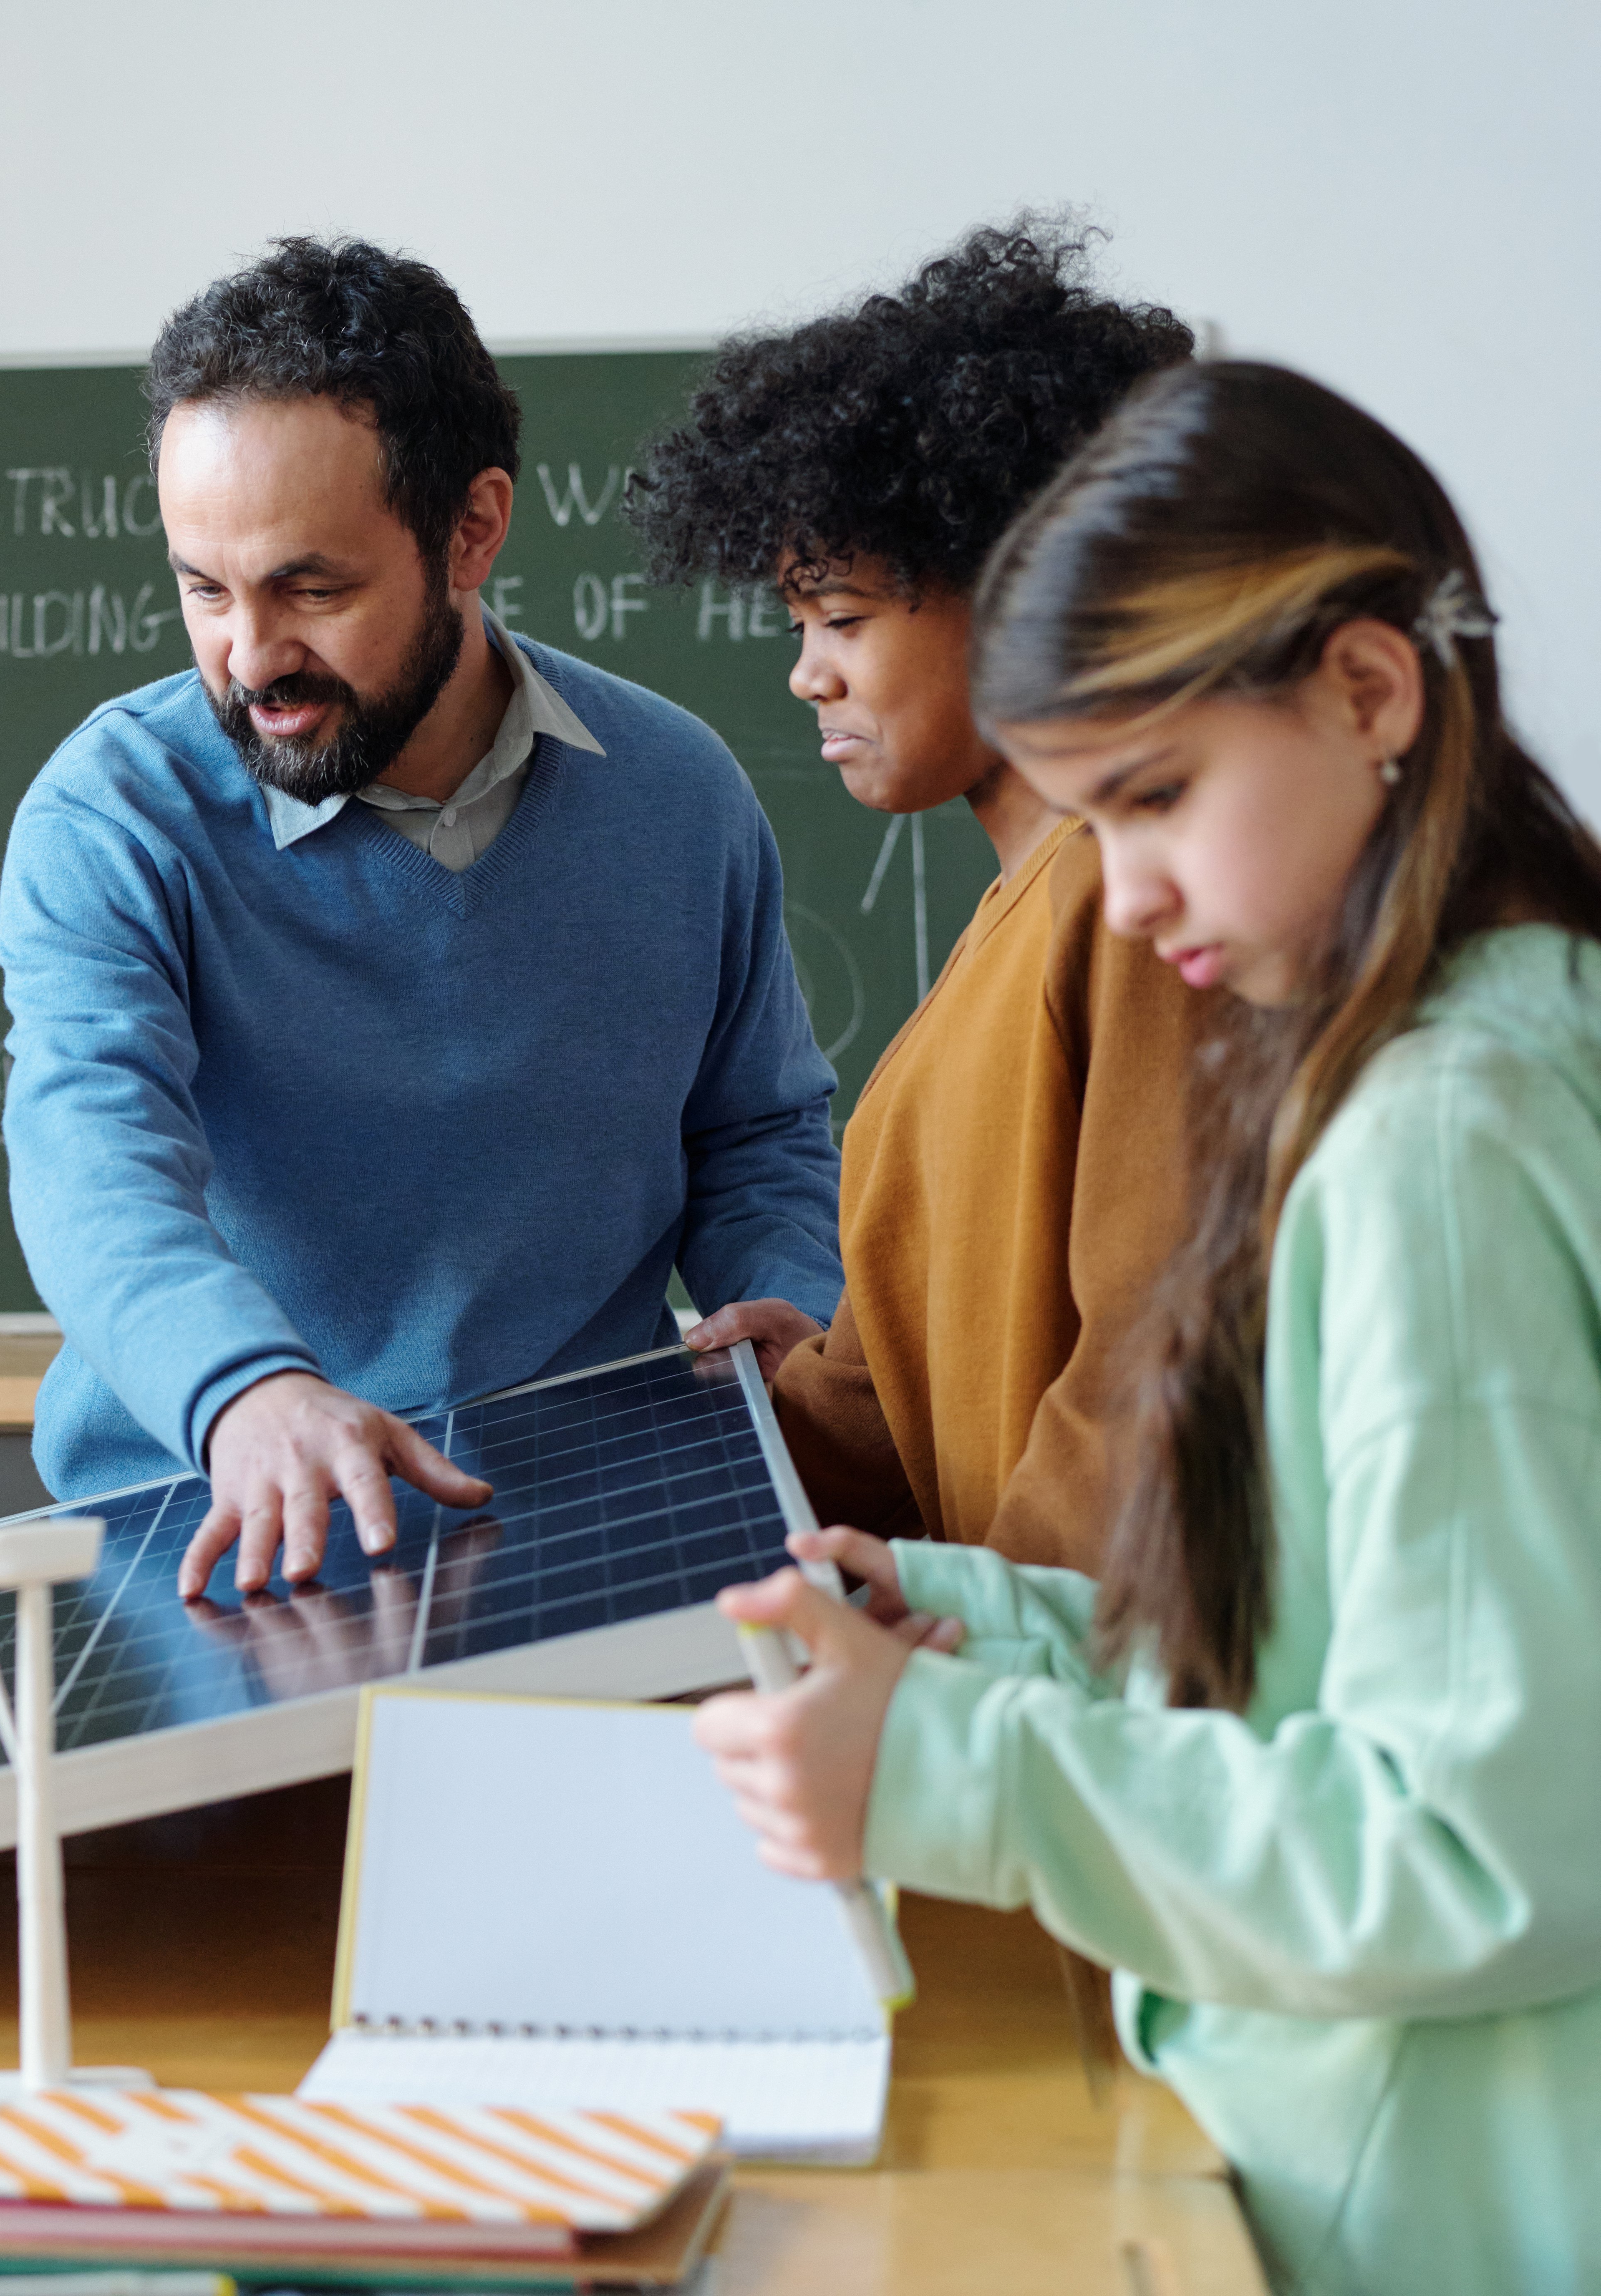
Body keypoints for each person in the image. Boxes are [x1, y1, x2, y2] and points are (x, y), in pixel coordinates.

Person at [695, 362, 1601, 2294]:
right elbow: (1352, 1645)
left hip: (1424, 2204)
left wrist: (949, 1761)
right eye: (1094, 821)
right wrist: (981, 1616)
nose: (1128, 894)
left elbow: (1473, 1839)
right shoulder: (1522, 1023)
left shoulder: (1435, 1140)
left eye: (1162, 795)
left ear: (1371, 693)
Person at [0, 237, 842, 1595]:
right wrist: (246, 1392)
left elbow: (756, 1128)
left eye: (311, 590)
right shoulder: (112, 817)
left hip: (595, 1519)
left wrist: (798, 1293)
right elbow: (90, 1155)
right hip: (206, 1528)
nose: (251, 658)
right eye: (203, 590)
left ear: (472, 529)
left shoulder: (681, 795)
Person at [626, 221, 1206, 1568]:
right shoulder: (1020, 905)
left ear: (1024, 589)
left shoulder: (1131, 909)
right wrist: (811, 1400)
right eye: (798, 626)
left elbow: (1144, 1373)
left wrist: (984, 1651)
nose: (806, 675)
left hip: (1069, 1700)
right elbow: (923, 1375)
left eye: (844, 618)